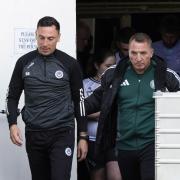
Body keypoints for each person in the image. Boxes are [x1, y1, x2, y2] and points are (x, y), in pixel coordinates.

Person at [85, 33, 180, 180]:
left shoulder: (166, 76)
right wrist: (68, 109)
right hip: (124, 145)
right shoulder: (115, 74)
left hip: (152, 144)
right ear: (128, 52)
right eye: (134, 53)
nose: (138, 58)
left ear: (151, 52)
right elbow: (95, 100)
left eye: (143, 53)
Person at [6, 16, 88, 180]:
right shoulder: (24, 62)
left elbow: (80, 101)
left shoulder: (69, 64)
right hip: (34, 133)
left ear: (58, 37)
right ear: (36, 35)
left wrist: (83, 136)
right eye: (41, 37)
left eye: (50, 38)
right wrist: (12, 124)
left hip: (62, 132)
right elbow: (12, 96)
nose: (45, 43)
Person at [84, 49, 121, 180]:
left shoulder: (118, 84)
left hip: (113, 140)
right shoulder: (84, 84)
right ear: (96, 65)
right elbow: (81, 110)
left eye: (114, 65)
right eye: (108, 66)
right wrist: (102, 113)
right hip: (93, 140)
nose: (112, 69)